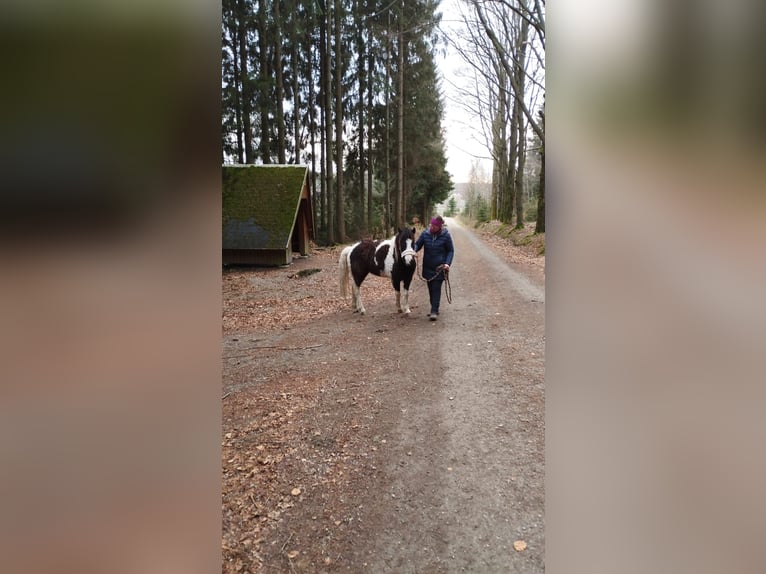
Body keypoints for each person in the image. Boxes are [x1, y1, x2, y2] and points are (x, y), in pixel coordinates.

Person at [414, 215, 455, 321]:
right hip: (427, 266)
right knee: (431, 289)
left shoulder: (446, 236)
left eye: (435, 226)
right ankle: (434, 307)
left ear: (440, 226)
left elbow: (450, 250)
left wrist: (447, 263)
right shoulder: (425, 233)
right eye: (431, 225)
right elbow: (418, 245)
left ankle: (434, 311)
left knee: (436, 288)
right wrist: (413, 251)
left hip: (439, 267)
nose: (432, 227)